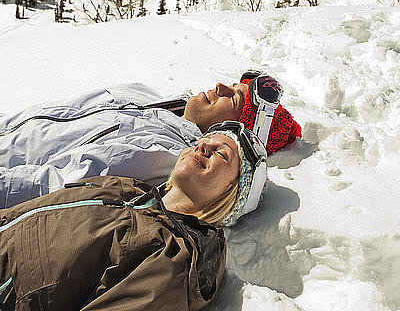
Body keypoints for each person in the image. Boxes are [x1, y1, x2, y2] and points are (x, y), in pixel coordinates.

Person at [0, 122, 268, 311]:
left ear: (232, 193)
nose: (203, 147)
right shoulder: (127, 188)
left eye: (222, 153)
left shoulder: (174, 259)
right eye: (202, 142)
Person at [0, 71, 301, 207]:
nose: (220, 85)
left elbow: (51, 186)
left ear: (230, 129)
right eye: (234, 84)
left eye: (233, 98)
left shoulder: (162, 156)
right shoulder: (145, 94)